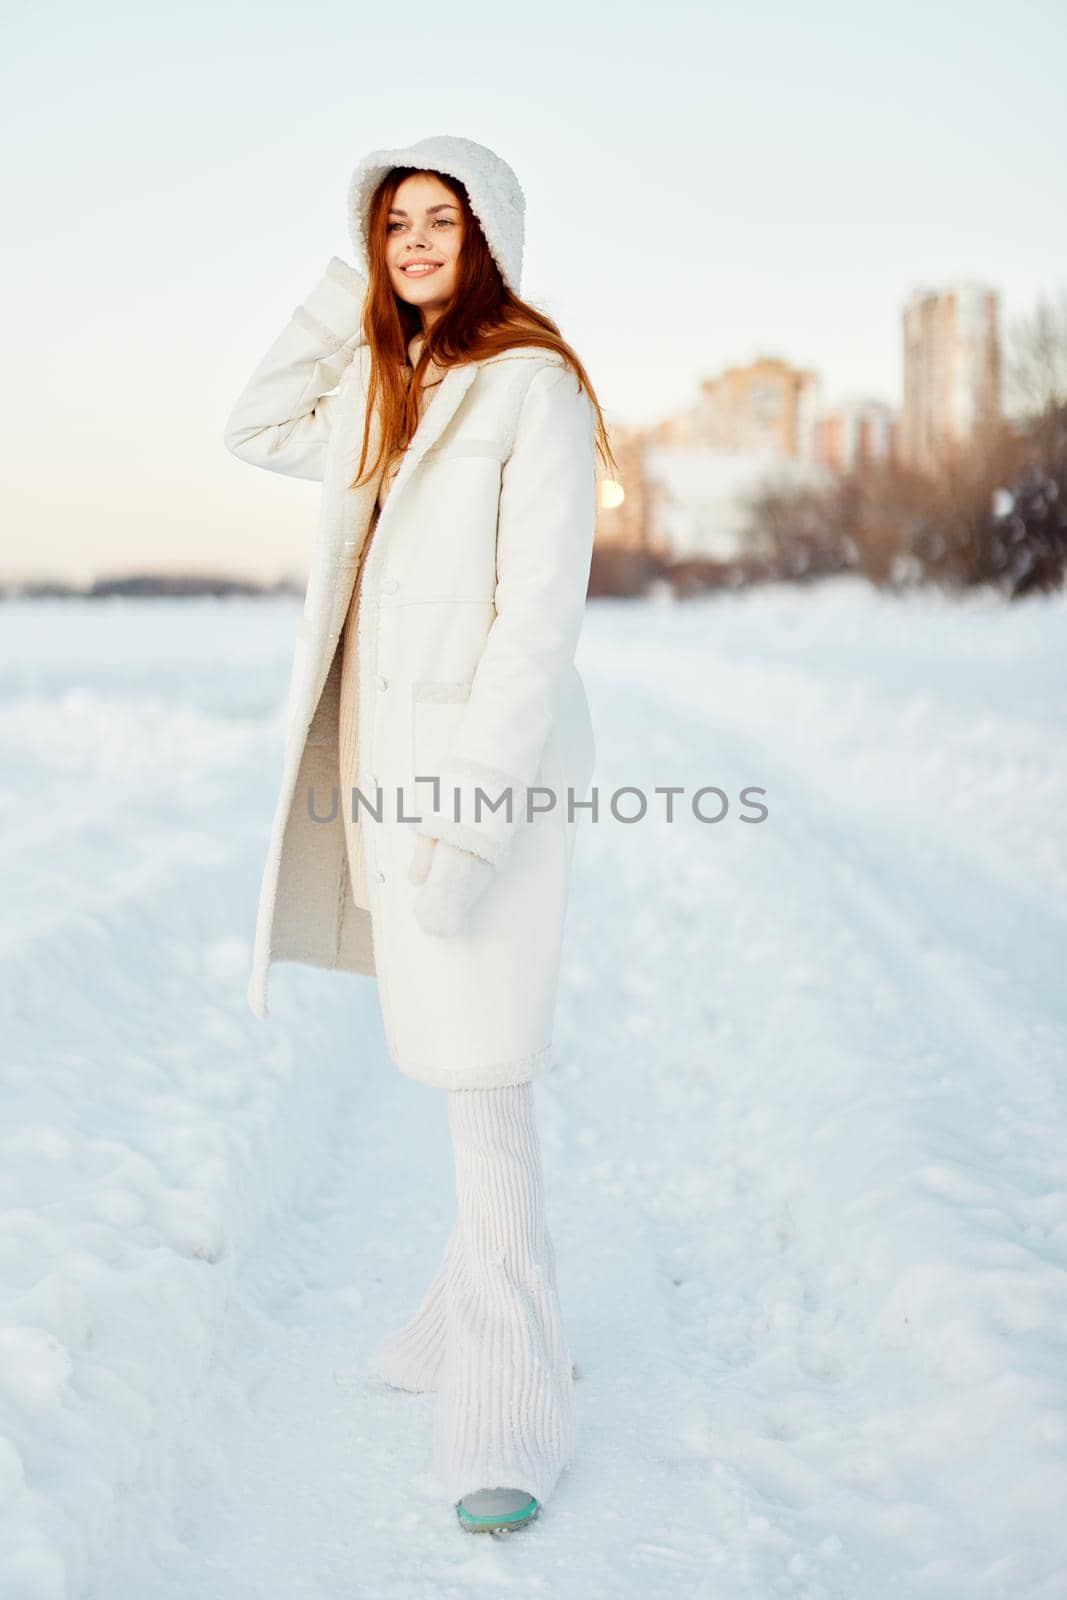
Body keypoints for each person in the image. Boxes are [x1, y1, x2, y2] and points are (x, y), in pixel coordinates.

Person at [223, 134, 616, 1533]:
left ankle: (509, 1411)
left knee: (487, 1080)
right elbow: (255, 426)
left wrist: (467, 824)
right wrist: (348, 300)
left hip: (481, 786)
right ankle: (457, 1333)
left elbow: (532, 629)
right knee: (462, 1071)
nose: (413, 241)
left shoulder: (534, 391)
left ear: (491, 233)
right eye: (394, 223)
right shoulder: (388, 384)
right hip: (393, 778)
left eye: (438, 219)